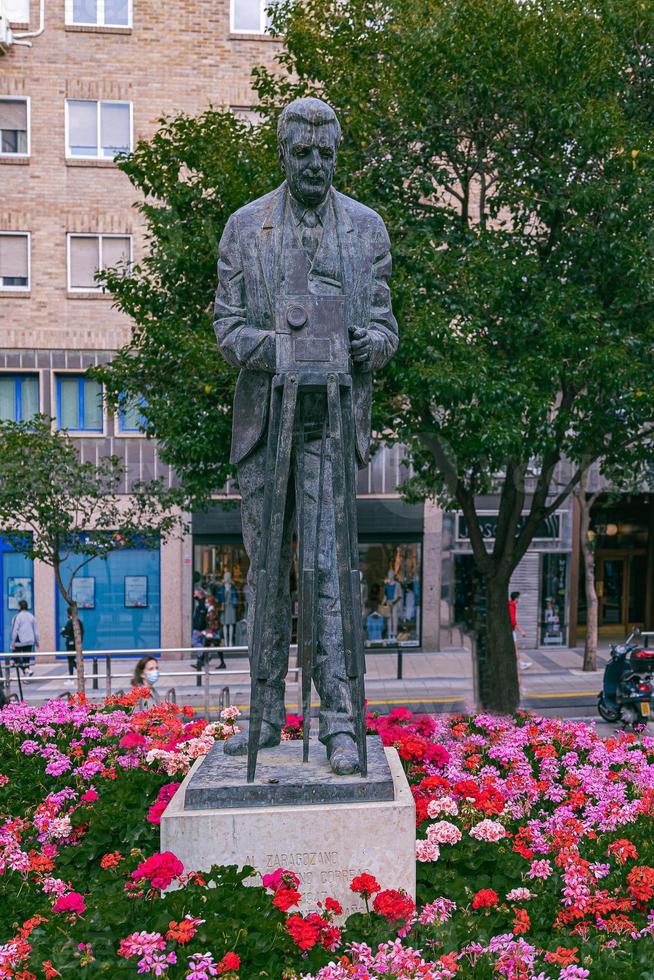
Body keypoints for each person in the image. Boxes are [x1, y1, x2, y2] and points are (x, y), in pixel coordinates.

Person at [214, 97, 398, 775]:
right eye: (302, 153)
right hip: (267, 424)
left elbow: (385, 325)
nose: (314, 164)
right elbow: (227, 326)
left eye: (326, 153)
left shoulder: (366, 228)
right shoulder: (245, 228)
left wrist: (364, 346)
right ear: (284, 154)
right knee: (267, 575)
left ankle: (340, 724)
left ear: (336, 154)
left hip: (332, 422)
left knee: (329, 573)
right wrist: (279, 349)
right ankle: (264, 717)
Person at [10, 599, 39, 675]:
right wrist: (37, 642)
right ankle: (27, 674)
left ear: (19, 607)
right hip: (29, 641)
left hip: (20, 641)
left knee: (15, 656)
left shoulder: (17, 617)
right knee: (26, 659)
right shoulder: (31, 616)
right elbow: (36, 630)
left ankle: (25, 670)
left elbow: (15, 630)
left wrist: (12, 643)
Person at [60, 608, 84, 686]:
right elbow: (82, 631)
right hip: (77, 644)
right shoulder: (78, 621)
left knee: (70, 660)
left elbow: (65, 632)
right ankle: (81, 671)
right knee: (73, 659)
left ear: (69, 613)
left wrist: (63, 631)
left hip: (70, 643)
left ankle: (71, 679)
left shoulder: (70, 622)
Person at [509, 591, 530, 670]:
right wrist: (521, 631)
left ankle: (520, 663)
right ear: (516, 598)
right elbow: (513, 621)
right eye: (519, 597)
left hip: (511, 630)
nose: (519, 599)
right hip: (511, 630)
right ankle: (521, 664)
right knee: (515, 648)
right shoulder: (511, 606)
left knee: (514, 648)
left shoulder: (511, 605)